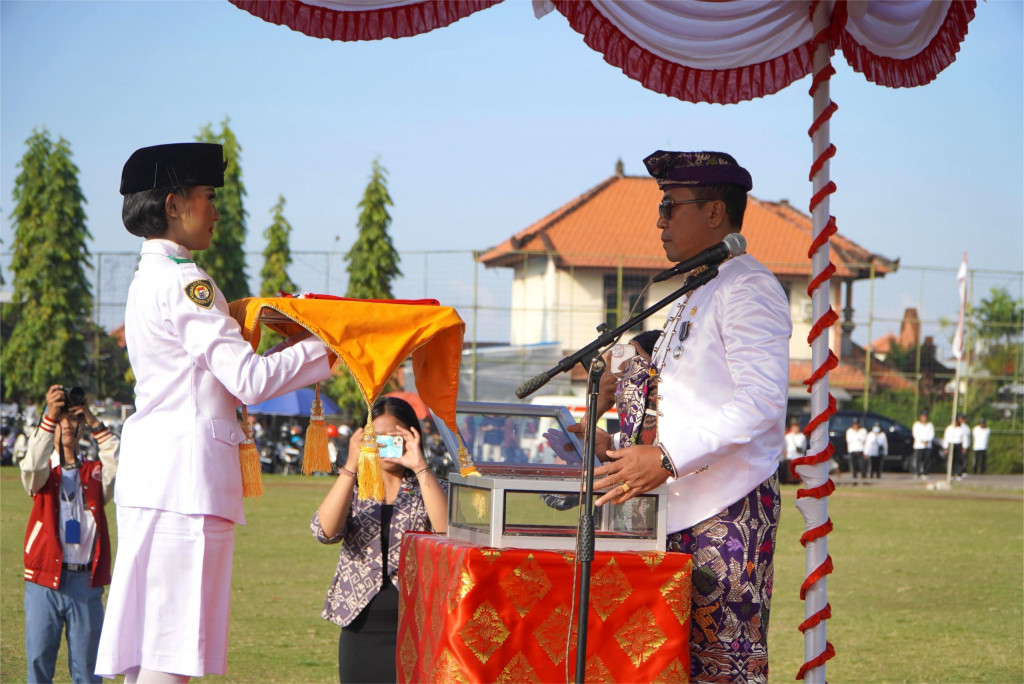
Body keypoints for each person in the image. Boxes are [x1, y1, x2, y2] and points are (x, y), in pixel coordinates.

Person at [95, 143, 335, 683]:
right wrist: (330, 344)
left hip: (159, 475)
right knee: (170, 652)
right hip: (185, 482)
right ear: (174, 203)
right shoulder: (186, 281)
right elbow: (248, 380)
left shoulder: (151, 276)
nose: (216, 211)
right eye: (207, 195)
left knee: (148, 648)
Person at [573, 150, 791, 682]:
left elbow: (762, 403)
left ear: (715, 212)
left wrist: (666, 459)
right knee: (668, 667)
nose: (660, 221)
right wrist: (618, 449)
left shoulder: (748, 287)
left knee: (722, 668)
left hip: (726, 513)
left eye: (670, 206)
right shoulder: (697, 289)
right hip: (676, 510)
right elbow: (681, 402)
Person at [311, 396, 448, 683]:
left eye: (394, 438)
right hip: (360, 625)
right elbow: (324, 532)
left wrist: (420, 465)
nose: (386, 446)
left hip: (418, 624)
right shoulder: (353, 488)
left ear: (412, 436)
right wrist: (351, 464)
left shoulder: (429, 487)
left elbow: (446, 531)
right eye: (378, 439)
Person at [21, 385, 119, 683]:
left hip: (84, 582)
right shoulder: (44, 475)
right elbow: (31, 464)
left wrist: (90, 416)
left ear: (81, 428)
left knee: (88, 671)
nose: (66, 424)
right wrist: (50, 414)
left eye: (72, 419)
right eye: (61, 420)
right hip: (43, 581)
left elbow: (119, 460)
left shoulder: (94, 474)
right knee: (38, 664)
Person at [912, 411, 935, 479]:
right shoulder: (916, 425)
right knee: (918, 459)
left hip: (928, 445)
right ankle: (917, 472)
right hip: (919, 445)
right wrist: (922, 441)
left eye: (925, 417)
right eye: (923, 417)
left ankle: (925, 473)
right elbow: (915, 434)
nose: (924, 418)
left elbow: (932, 434)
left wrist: (927, 440)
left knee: (927, 459)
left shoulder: (930, 425)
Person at [942, 415, 966, 480]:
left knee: (958, 460)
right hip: (951, 444)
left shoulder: (961, 429)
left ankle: (958, 473)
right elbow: (946, 438)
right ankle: (951, 474)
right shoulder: (949, 428)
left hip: (958, 444)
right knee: (950, 460)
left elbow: (964, 438)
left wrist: (964, 447)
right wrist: (945, 447)